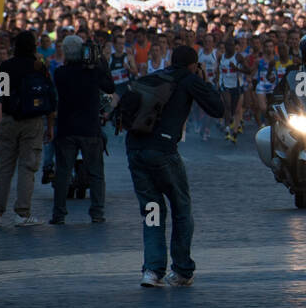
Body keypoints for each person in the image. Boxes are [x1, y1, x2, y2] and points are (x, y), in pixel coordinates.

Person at [118, 44, 224, 288]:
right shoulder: (189, 79)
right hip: (163, 152)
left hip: (135, 149)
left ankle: (152, 271)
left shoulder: (155, 76)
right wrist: (204, 81)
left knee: (152, 211)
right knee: (181, 209)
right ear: (193, 64)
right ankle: (182, 270)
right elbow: (217, 109)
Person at [0, 31, 55, 227]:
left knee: (4, 169)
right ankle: (22, 213)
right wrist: (50, 126)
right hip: (33, 121)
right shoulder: (38, 67)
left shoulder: (5, 66)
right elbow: (50, 98)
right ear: (33, 47)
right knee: (28, 167)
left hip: (9, 120)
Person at [50, 35, 115, 225]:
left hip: (67, 128)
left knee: (63, 173)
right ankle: (97, 212)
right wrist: (101, 60)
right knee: (96, 173)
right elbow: (109, 86)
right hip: (89, 128)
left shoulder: (60, 73)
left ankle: (58, 214)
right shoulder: (93, 72)